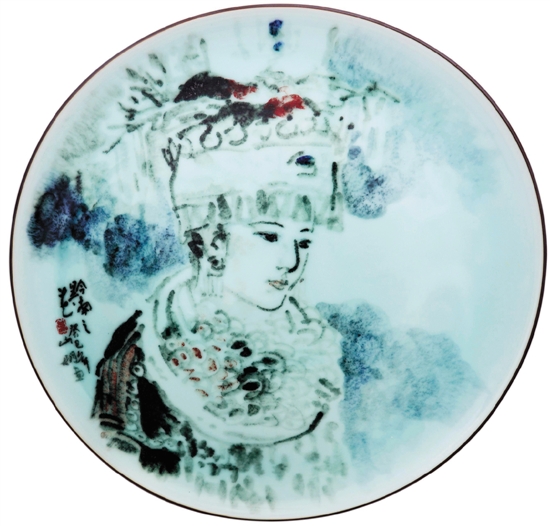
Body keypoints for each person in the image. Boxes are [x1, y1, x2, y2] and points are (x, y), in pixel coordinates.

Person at [92, 66, 378, 506]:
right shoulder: (142, 351)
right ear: (211, 240)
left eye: (304, 241)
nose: (291, 262)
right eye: (268, 236)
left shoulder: (314, 348)